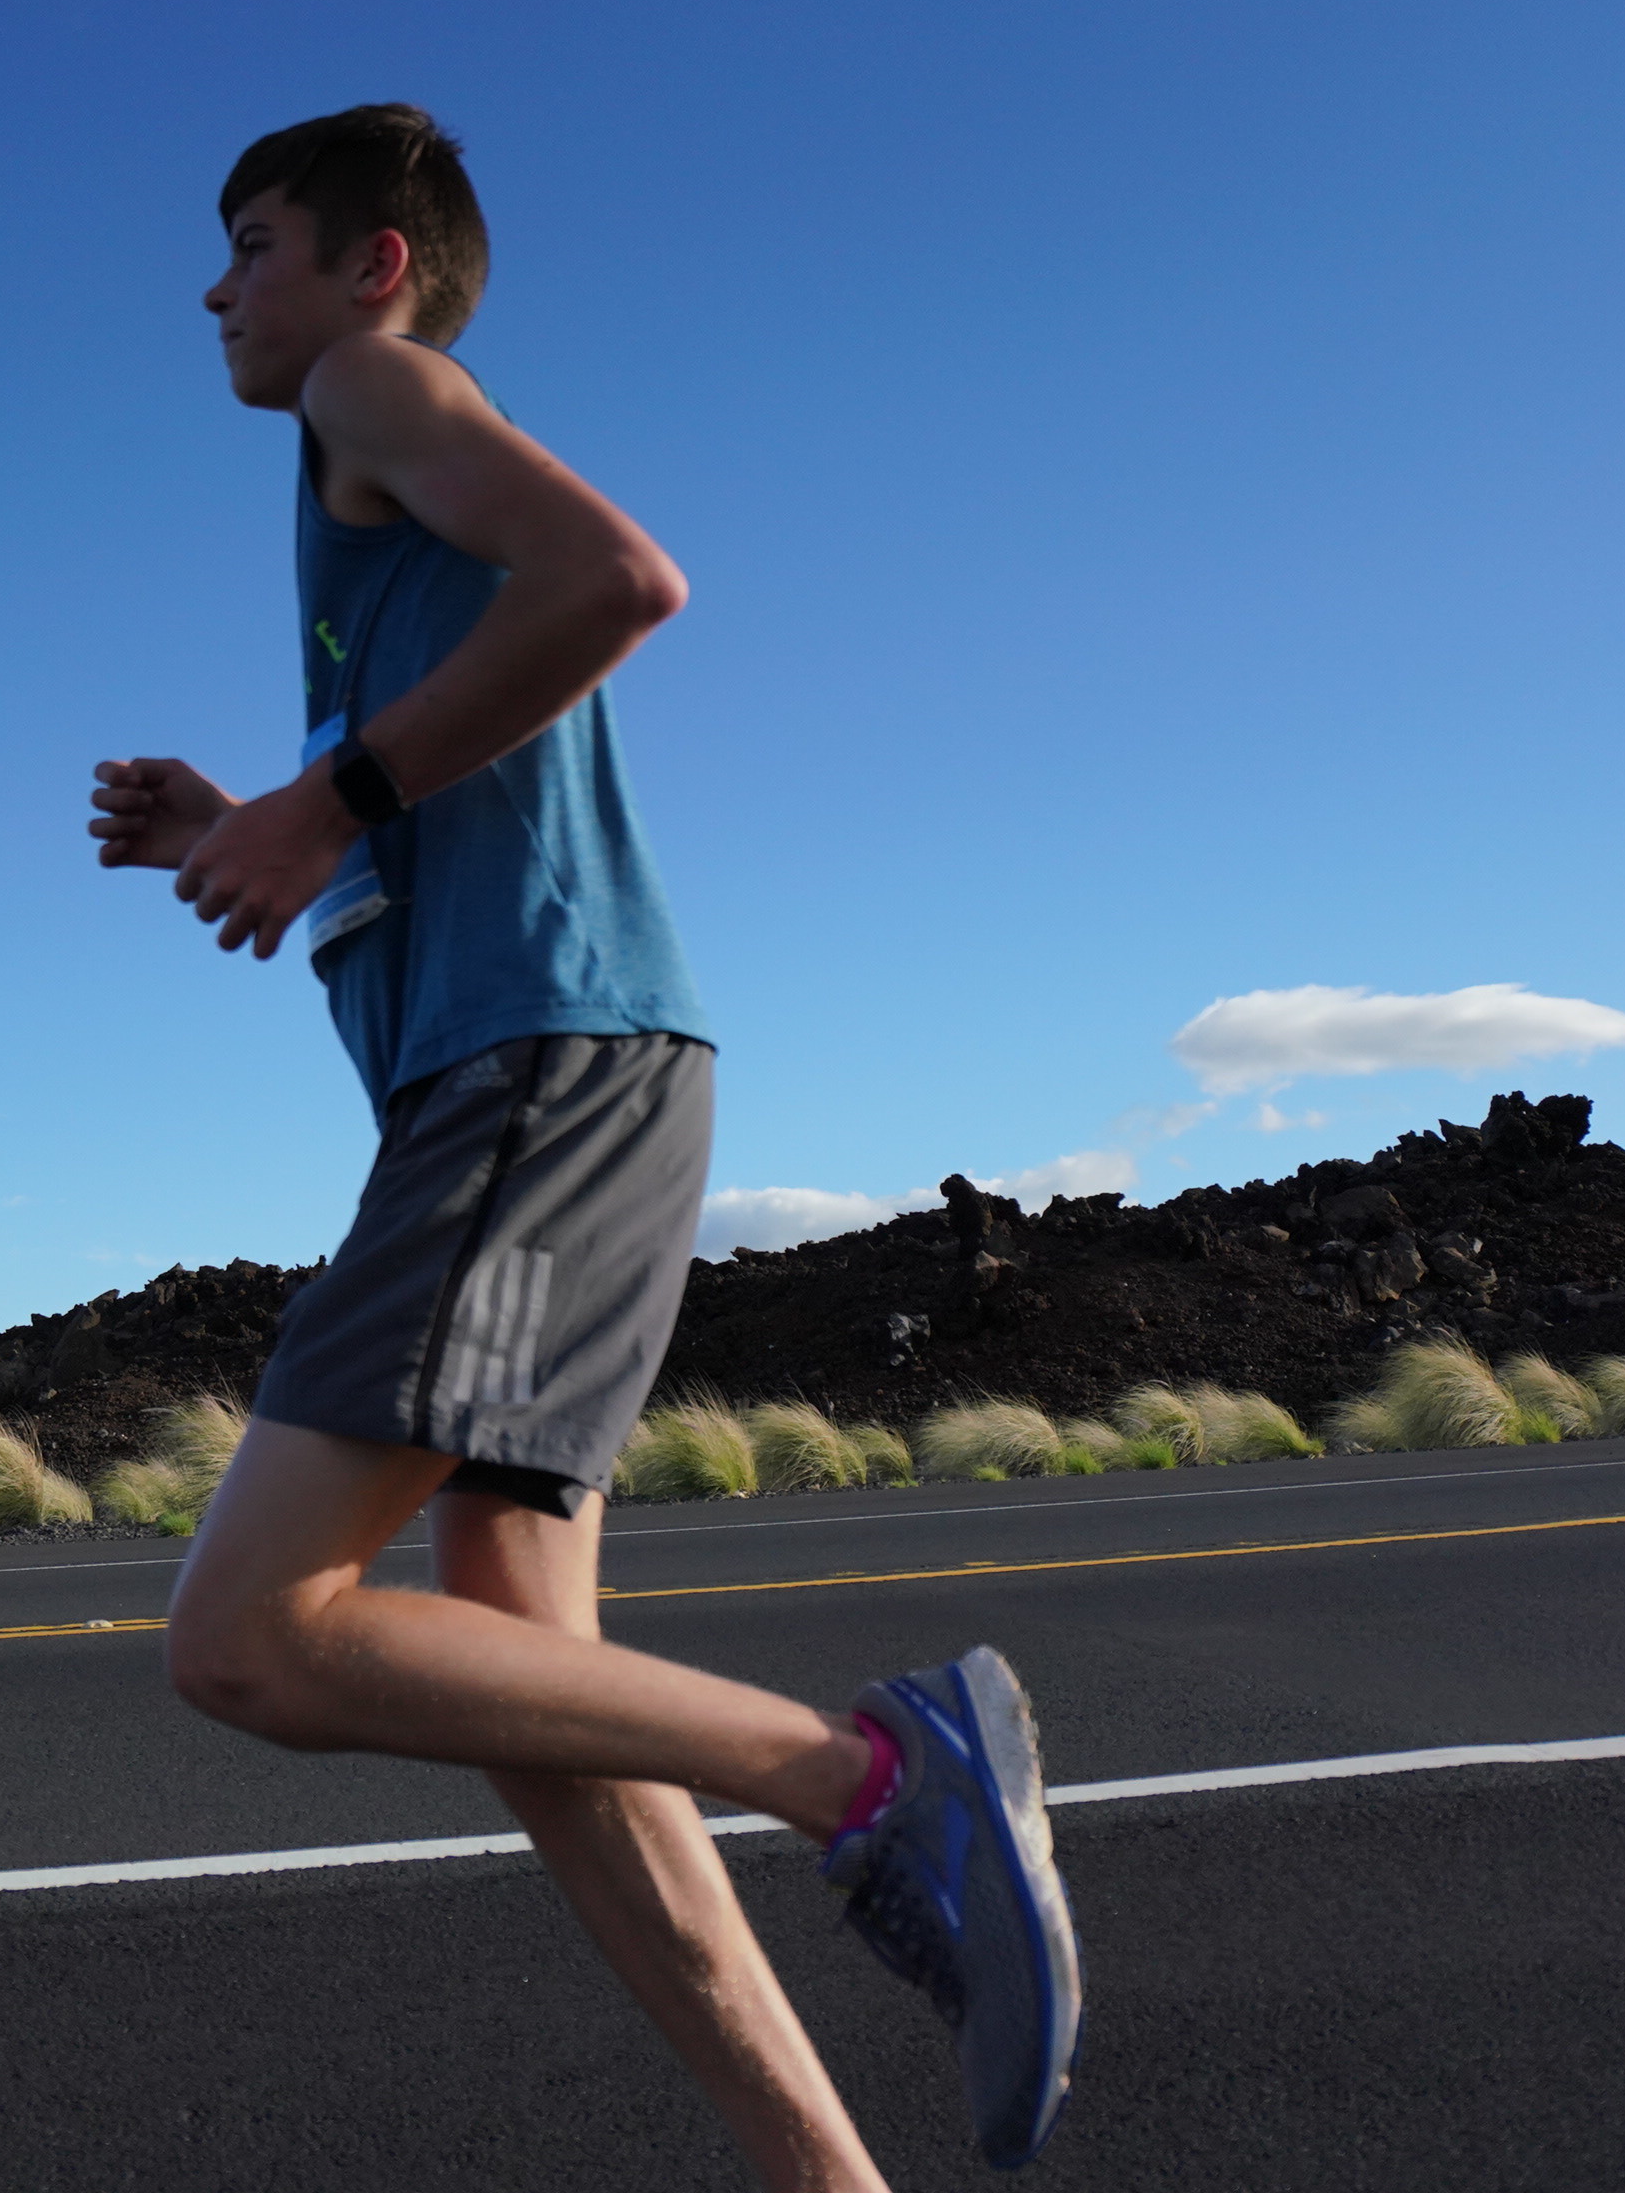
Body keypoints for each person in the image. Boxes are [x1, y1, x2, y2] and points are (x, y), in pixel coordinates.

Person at [87, 105, 1081, 2180]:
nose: (214, 287)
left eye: (253, 242)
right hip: (533, 1079)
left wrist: (320, 803)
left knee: (251, 1637)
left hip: (538, 1075)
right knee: (531, 1688)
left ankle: (873, 1775)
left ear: (371, 265)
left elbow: (619, 580)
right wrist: (247, 820)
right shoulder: (369, 510)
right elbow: (460, 787)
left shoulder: (375, 388)